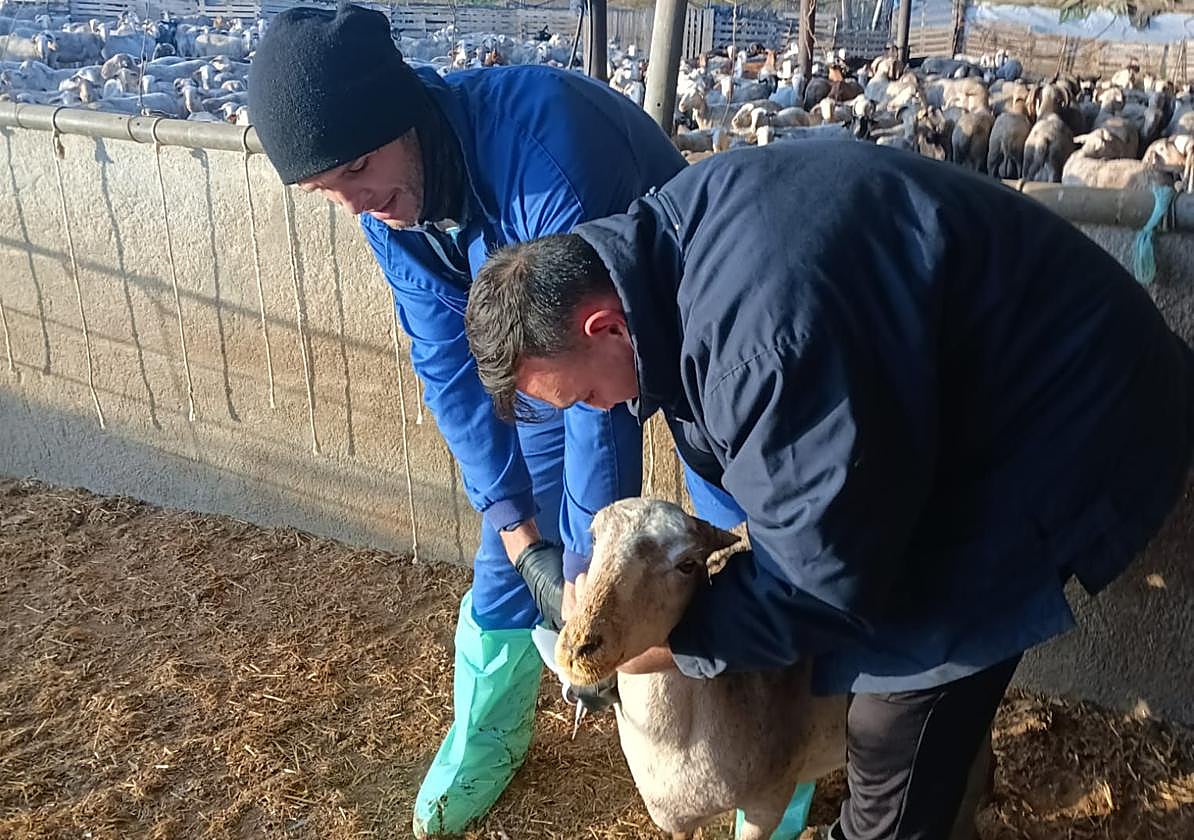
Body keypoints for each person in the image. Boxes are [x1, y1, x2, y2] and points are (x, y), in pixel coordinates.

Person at [463, 140, 1194, 840]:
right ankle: (956, 784)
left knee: (891, 724)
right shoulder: (661, 252)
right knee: (892, 694)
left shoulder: (760, 348)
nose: (603, 410)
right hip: (963, 406)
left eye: (584, 393)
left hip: (1066, 414)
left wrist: (670, 643)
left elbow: (817, 568)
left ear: (605, 325)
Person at [247, 4, 763, 835]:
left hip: (677, 333)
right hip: (550, 361)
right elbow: (448, 369)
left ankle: (768, 773)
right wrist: (518, 532)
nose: (353, 205)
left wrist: (587, 574)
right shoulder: (393, 208)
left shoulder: (545, 158)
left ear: (398, 113)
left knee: (745, 534)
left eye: (355, 169)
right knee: (509, 555)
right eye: (326, 192)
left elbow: (599, 400)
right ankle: (486, 736)